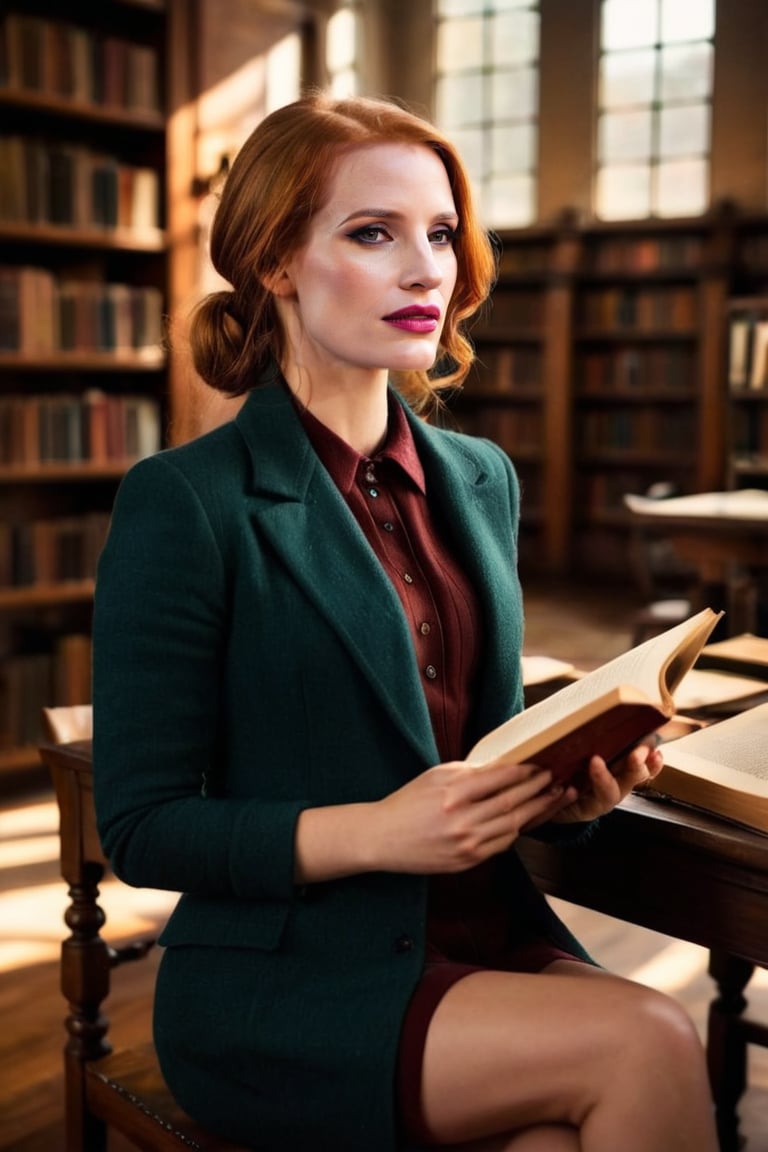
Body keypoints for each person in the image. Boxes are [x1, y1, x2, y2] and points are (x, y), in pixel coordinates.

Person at [92, 91, 719, 1152]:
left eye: (439, 234)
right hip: (288, 983)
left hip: (484, 933)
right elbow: (144, 826)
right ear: (278, 261)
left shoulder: (481, 478)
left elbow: (475, 747)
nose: (427, 269)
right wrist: (381, 830)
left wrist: (574, 788)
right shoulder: (186, 500)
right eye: (372, 233)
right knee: (650, 1038)